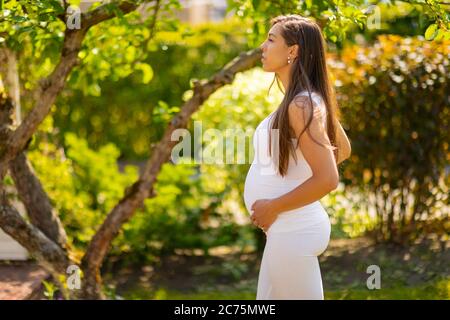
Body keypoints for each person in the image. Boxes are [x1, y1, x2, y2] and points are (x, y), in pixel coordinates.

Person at [243, 14, 352, 300]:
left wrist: (274, 205)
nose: (262, 47)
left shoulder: (302, 103)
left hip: (293, 228)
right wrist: (299, 171)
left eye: (270, 39)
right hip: (286, 230)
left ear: (292, 51)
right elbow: (343, 149)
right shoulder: (305, 99)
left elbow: (328, 178)